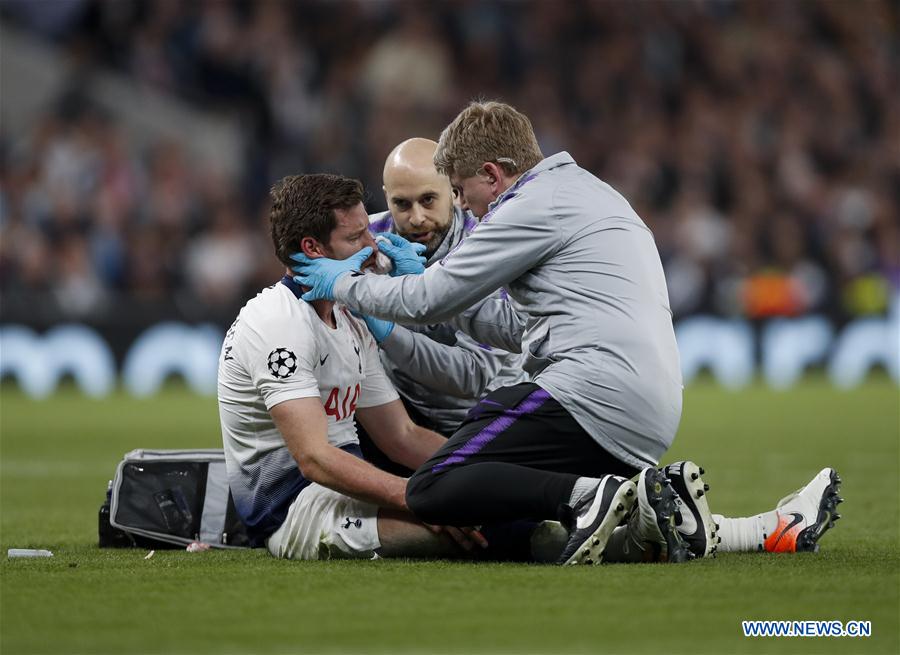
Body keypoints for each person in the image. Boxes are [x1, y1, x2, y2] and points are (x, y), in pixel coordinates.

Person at [291, 101, 842, 564]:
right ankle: (765, 526)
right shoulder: (588, 193)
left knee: (437, 488)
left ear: (492, 174)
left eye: (460, 190)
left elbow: (430, 300)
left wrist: (343, 286)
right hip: (647, 409)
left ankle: (593, 494)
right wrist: (434, 296)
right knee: (539, 516)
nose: (464, 205)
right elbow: (512, 325)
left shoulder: (528, 207)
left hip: (590, 392)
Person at [217, 173, 492, 561]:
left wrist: (487, 472)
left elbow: (402, 435)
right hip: (294, 511)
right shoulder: (278, 322)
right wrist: (419, 498)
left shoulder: (348, 317)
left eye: (368, 231)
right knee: (472, 535)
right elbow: (314, 458)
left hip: (351, 492)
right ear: (312, 248)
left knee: (490, 507)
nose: (372, 247)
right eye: (354, 238)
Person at [361, 138, 525, 443]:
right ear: (387, 199)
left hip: (485, 415)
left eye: (427, 200)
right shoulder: (366, 241)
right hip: (400, 409)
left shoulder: (490, 250)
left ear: (452, 189)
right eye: (402, 204)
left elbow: (472, 377)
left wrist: (384, 330)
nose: (417, 217)